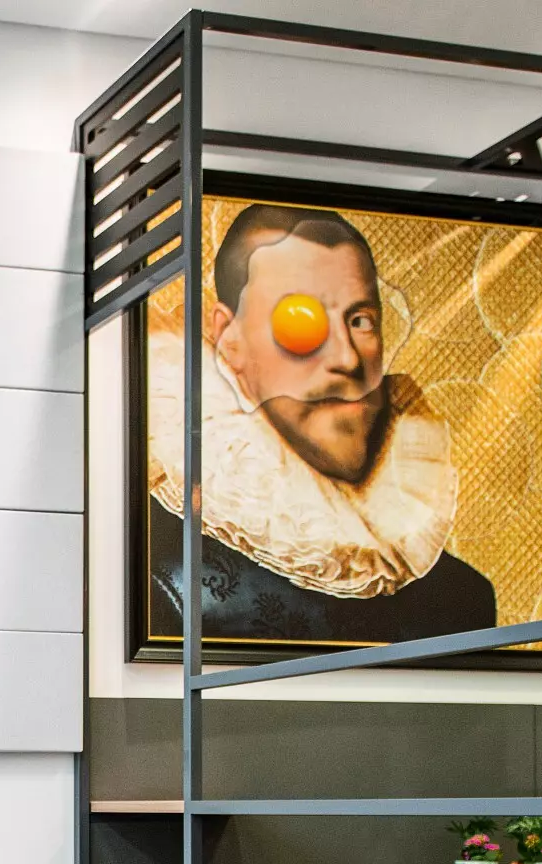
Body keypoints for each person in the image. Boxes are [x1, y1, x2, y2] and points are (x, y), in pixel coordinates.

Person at [147, 203, 489, 646]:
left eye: (360, 321)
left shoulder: (462, 597)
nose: (346, 358)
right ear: (231, 340)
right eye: (300, 321)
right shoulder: (152, 564)